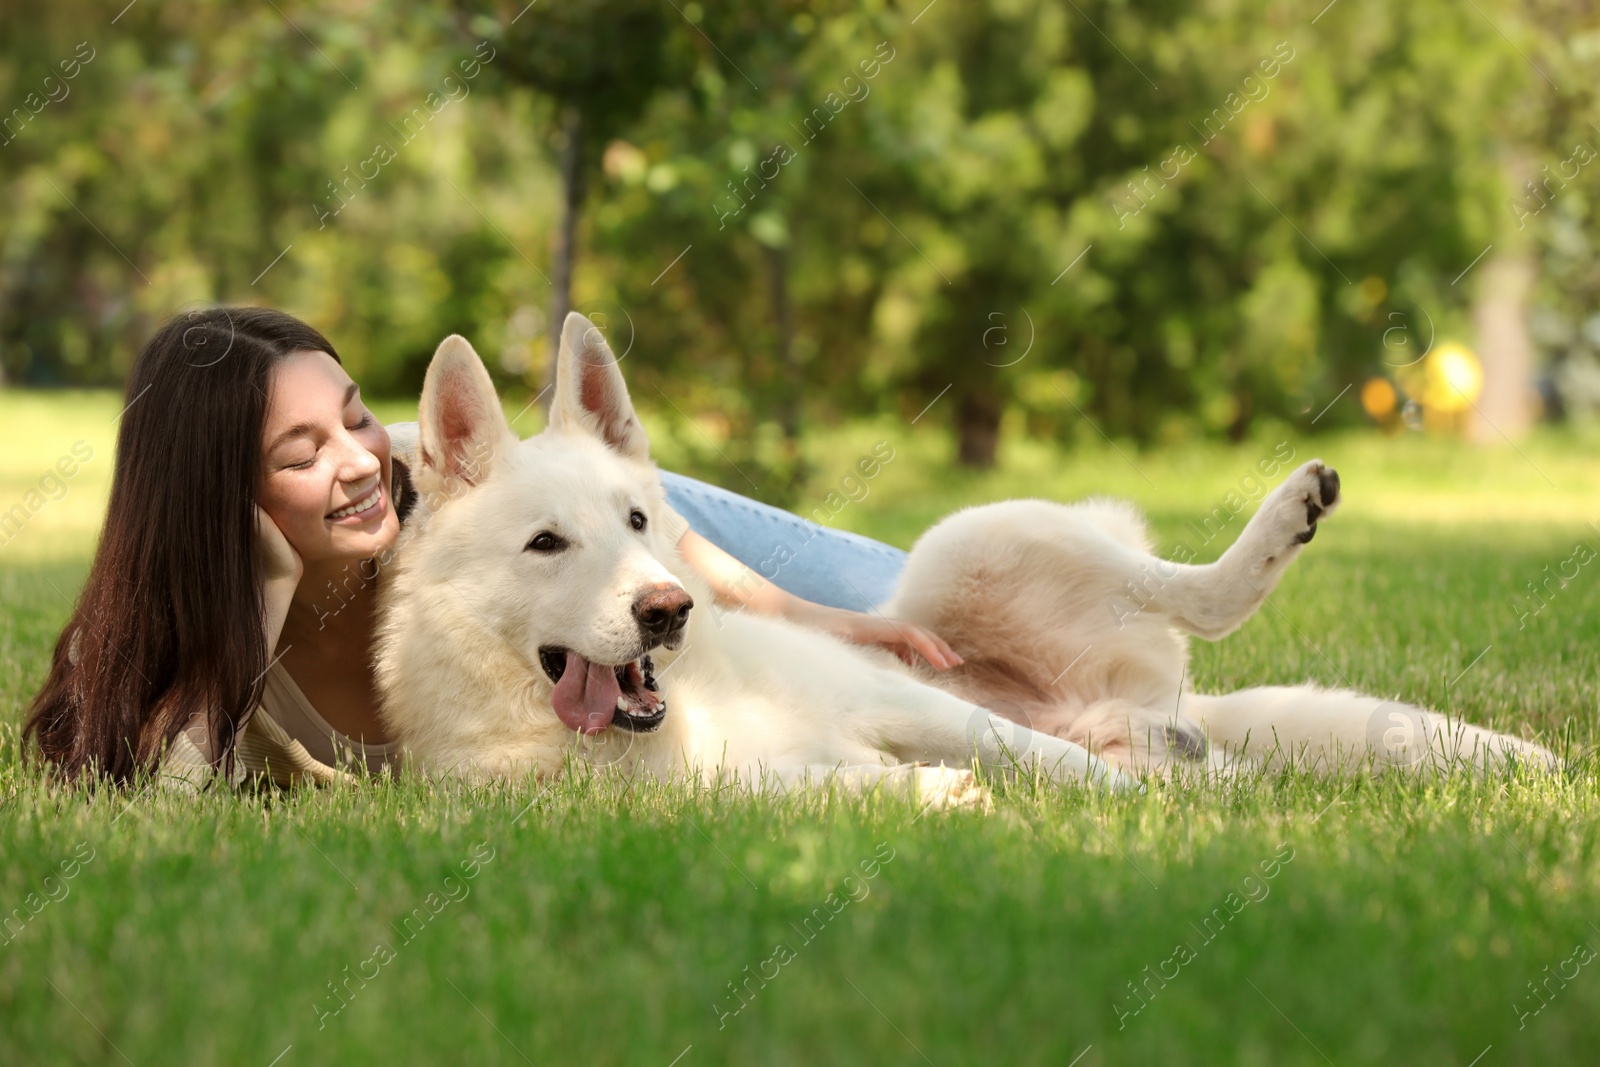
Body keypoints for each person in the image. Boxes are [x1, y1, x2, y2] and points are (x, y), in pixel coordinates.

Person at [23, 307, 959, 788]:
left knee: (906, 601)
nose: (359, 460)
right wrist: (261, 602)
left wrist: (805, 613)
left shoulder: (417, 491)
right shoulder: (202, 651)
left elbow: (629, 527)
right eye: (301, 453)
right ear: (213, 502)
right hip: (592, 585)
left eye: (354, 415)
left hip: (652, 531)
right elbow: (157, 794)